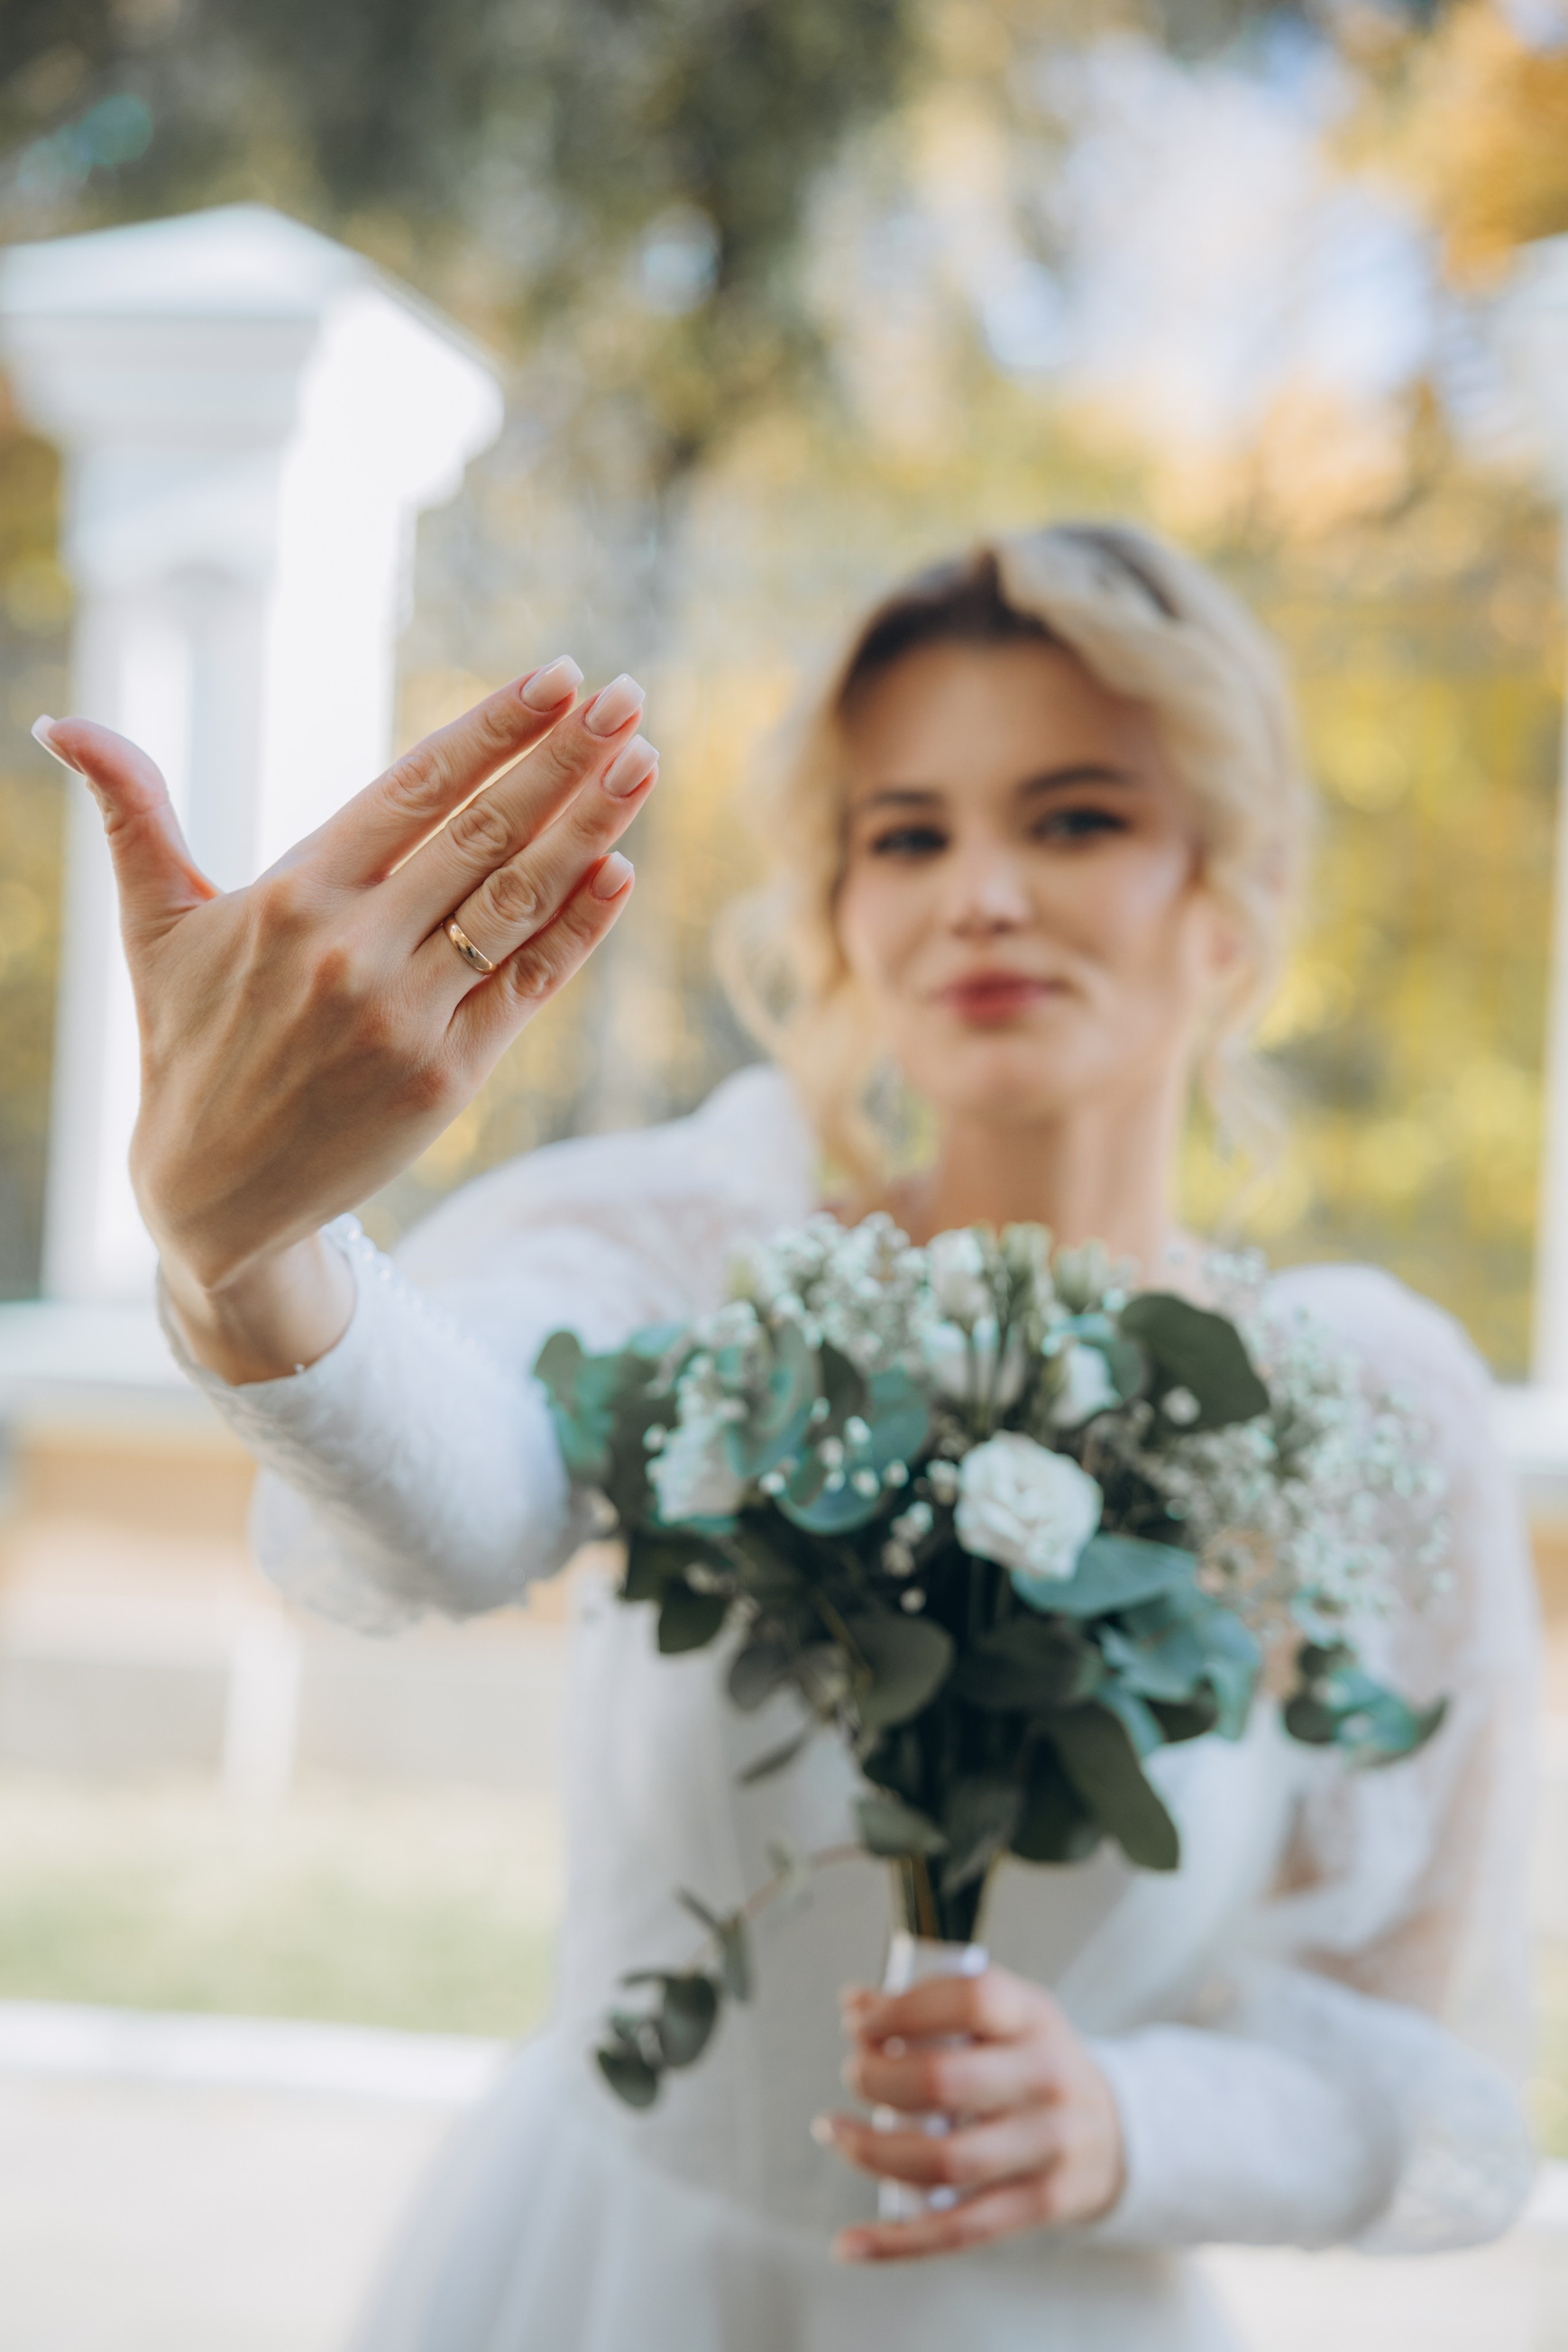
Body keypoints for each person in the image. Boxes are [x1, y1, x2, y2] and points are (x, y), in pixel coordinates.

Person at [35, 522, 1538, 2351]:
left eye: (1074, 819)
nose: (980, 891)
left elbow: (1401, 2068)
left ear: (1231, 894)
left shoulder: (1366, 1411)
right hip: (600, 2285)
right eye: (907, 834)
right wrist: (241, 1252)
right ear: (838, 910)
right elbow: (473, 1492)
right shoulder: (695, 1243)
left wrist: (1126, 2123)